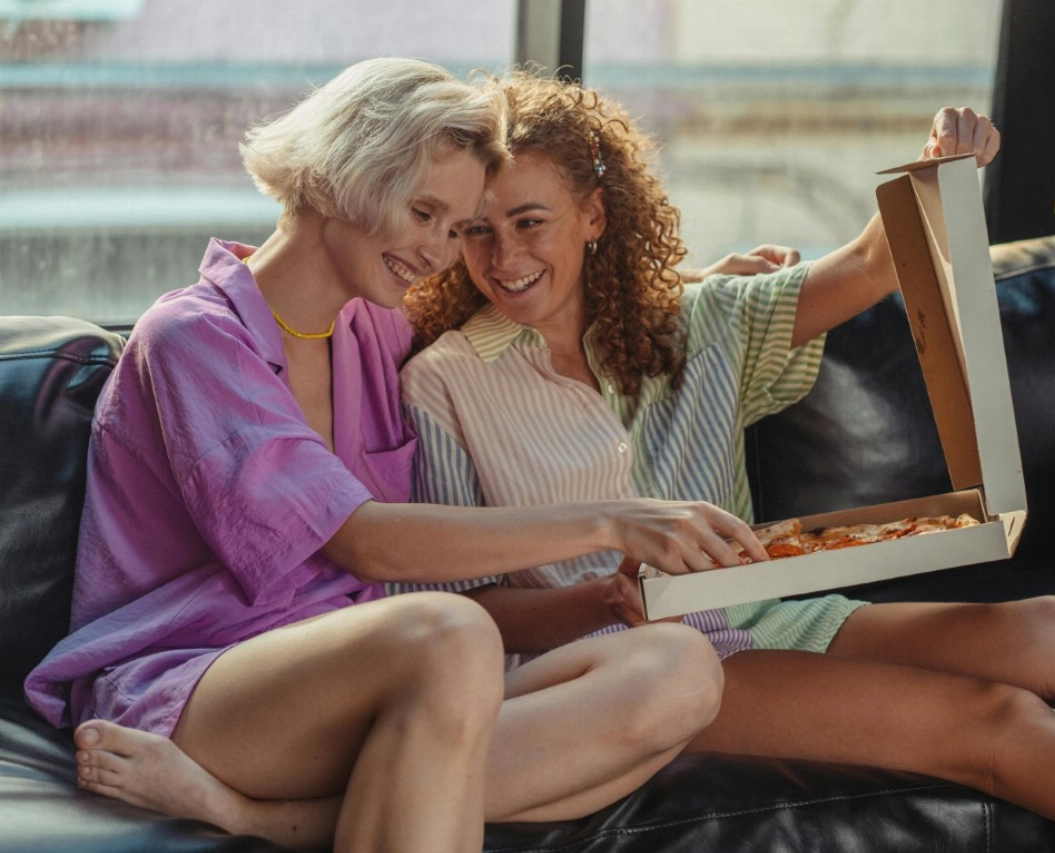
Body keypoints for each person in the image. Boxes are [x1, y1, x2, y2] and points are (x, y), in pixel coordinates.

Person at [392, 71, 1055, 849]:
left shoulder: (699, 324)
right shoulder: (443, 384)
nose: (502, 257)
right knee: (994, 723)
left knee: (1049, 626)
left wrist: (939, 168)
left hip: (765, 615)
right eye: (477, 231)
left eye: (529, 221)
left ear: (593, 215)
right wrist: (598, 597)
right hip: (625, 670)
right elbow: (456, 614)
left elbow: (868, 262)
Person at [23, 59, 769, 853]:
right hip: (200, 683)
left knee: (680, 668)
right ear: (341, 176)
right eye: (425, 213)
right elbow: (363, 538)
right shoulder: (194, 337)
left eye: (454, 228)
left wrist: (677, 285)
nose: (442, 251)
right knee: (452, 632)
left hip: (380, 681)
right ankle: (259, 792)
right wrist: (612, 522)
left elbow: (526, 285)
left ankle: (257, 819)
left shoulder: (371, 328)